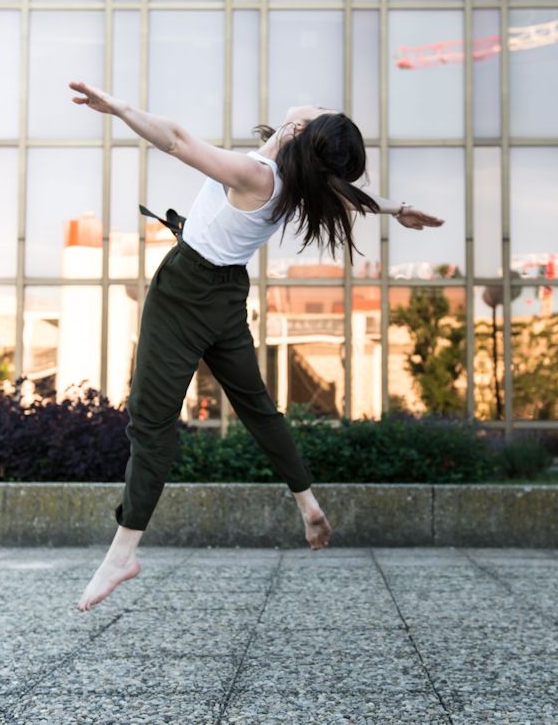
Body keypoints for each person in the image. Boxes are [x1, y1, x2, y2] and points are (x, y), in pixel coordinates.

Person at [69, 80, 445, 612]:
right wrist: (397, 207)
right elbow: (345, 191)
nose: (309, 107)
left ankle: (121, 554)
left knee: (150, 425)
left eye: (314, 114)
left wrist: (121, 108)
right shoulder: (297, 180)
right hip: (226, 296)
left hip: (184, 292)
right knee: (258, 410)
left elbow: (177, 140)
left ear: (298, 131)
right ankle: (307, 502)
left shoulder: (257, 175)